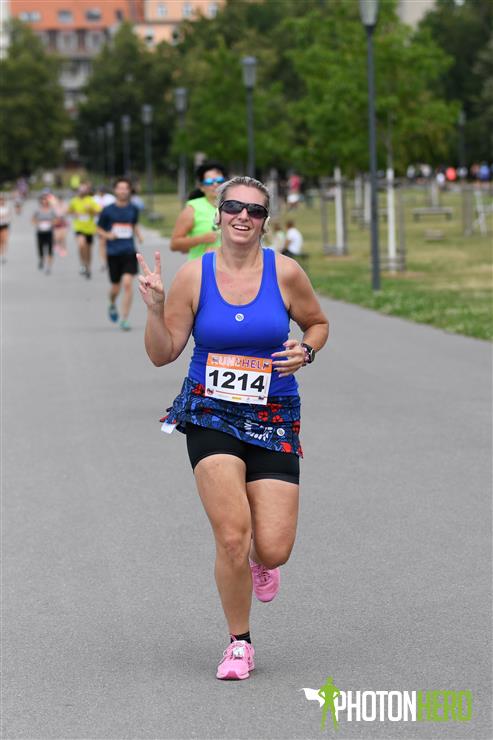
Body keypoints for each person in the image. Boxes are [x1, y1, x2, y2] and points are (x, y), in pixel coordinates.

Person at [137, 176, 329, 680]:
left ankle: (261, 563)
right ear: (219, 215)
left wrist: (306, 350)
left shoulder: (285, 272)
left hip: (273, 413)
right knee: (231, 536)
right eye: (234, 208)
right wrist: (155, 311)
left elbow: (317, 323)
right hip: (210, 410)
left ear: (265, 222)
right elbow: (162, 353)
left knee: (273, 547)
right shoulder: (193, 276)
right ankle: (239, 643)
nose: (243, 216)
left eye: (255, 210)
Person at [97, 177, 143, 331]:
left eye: (125, 188)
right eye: (120, 188)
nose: (123, 191)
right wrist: (108, 235)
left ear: (129, 191)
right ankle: (112, 303)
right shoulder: (107, 210)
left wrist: (139, 235)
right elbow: (99, 229)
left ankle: (124, 319)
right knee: (115, 288)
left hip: (129, 251)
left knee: (128, 283)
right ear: (115, 190)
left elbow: (133, 224)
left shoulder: (133, 209)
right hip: (113, 252)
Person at [170, 161, 227, 261]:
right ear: (202, 187)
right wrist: (201, 239)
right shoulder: (192, 208)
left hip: (230, 268)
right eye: (209, 182)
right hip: (200, 267)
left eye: (219, 180)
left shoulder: (236, 206)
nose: (215, 184)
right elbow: (174, 244)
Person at [68, 183, 100, 279]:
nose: (82, 191)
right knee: (81, 245)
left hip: (89, 229)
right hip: (79, 228)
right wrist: (74, 213)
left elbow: (99, 211)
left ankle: (88, 267)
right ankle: (82, 264)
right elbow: (68, 211)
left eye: (84, 189)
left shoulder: (91, 200)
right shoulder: (74, 201)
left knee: (88, 250)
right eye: (80, 189)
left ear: (87, 191)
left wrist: (91, 209)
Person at [32, 192, 57, 274]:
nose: (44, 202)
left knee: (50, 249)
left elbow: (56, 220)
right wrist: (38, 223)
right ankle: (41, 259)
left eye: (45, 200)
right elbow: (33, 219)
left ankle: (48, 267)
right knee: (41, 248)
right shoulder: (37, 210)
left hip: (49, 232)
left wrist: (51, 223)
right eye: (43, 200)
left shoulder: (51, 210)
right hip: (40, 232)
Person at [94, 185, 116, 270]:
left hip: (110, 223)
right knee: (102, 243)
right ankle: (103, 262)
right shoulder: (94, 199)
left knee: (110, 242)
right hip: (100, 223)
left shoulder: (111, 198)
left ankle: (111, 260)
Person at [0, 194, 12, 264]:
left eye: (2, 200)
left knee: (4, 240)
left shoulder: (6, 208)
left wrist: (4, 217)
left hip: (4, 225)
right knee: (0, 241)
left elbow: (9, 217)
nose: (1, 201)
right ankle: (1, 254)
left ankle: (4, 255)